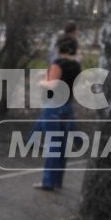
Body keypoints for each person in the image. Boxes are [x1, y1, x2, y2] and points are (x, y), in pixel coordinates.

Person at [34, 35, 82, 191]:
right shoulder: (76, 65)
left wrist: (41, 81)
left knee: (52, 145)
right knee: (62, 147)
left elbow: (53, 84)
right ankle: (58, 181)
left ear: (59, 48)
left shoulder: (58, 64)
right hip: (67, 105)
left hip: (54, 106)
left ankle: (48, 181)